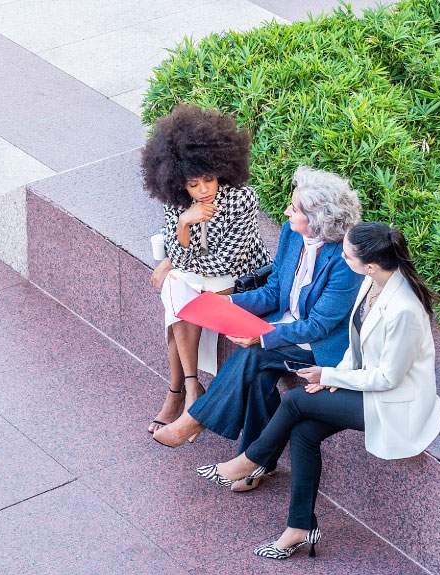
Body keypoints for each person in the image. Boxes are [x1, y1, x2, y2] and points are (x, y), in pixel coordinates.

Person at [195, 222, 440, 559]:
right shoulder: (372, 282)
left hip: (395, 403)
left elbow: (388, 379)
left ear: (369, 264)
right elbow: (353, 346)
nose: (340, 258)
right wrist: (333, 375)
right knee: (303, 433)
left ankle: (251, 460)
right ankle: (299, 527)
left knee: (296, 401)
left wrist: (328, 375)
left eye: (346, 254)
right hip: (365, 385)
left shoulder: (404, 310)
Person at [152, 167, 362, 489]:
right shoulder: (293, 234)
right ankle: (257, 464)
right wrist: (227, 304)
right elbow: (275, 290)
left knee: (254, 357)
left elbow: (318, 326)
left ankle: (195, 420)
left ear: (319, 219)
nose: (286, 211)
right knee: (260, 374)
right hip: (285, 325)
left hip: (319, 345)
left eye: (294, 209)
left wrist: (264, 335)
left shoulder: (343, 261)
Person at [141, 105, 272, 434]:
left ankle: (180, 392)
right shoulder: (180, 204)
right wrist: (185, 224)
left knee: (175, 286)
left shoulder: (241, 199)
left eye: (209, 179)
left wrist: (175, 254)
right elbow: (181, 250)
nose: (203, 190)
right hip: (200, 277)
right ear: (179, 182)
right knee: (177, 291)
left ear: (223, 169)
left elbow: (225, 262)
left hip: (237, 280)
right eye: (193, 183)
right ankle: (189, 386)